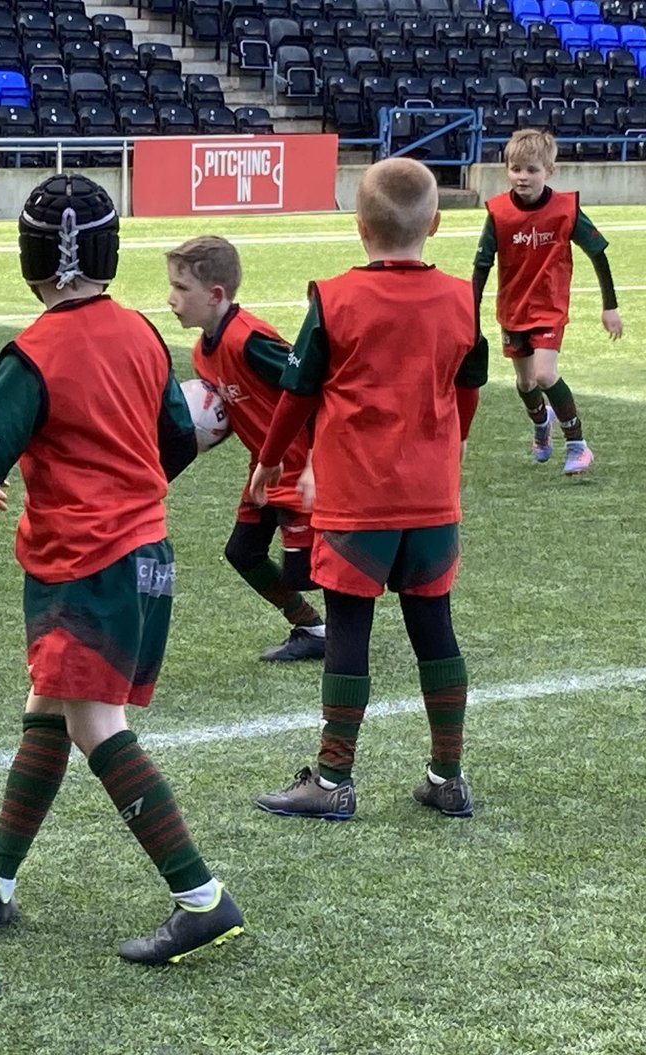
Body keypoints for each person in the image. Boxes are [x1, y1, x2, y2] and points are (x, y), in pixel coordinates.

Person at [0, 174, 243, 965]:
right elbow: (177, 439)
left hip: (82, 563)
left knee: (93, 723)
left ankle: (201, 896)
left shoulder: (35, 352)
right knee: (49, 705)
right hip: (145, 554)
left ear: (32, 259)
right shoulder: (145, 333)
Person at [247, 158, 488, 821]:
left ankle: (331, 779)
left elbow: (296, 394)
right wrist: (446, 443)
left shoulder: (334, 298)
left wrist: (268, 464)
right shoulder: (463, 299)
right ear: (435, 224)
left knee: (350, 630)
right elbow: (467, 395)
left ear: (359, 227)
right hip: (432, 497)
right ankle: (448, 774)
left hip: (359, 500)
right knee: (435, 630)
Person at [166, 235, 326, 663]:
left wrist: (315, 460)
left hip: (298, 468)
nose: (171, 299)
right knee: (243, 552)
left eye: (181, 289)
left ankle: (349, 629)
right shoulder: (203, 352)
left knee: (308, 569)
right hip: (265, 468)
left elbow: (308, 388)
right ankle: (313, 627)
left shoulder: (249, 340)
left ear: (215, 294)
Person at [473, 128, 623, 476]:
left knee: (544, 374)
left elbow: (598, 253)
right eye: (515, 168)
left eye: (531, 170)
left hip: (549, 307)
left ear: (549, 171)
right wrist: (471, 315)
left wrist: (609, 306)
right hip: (513, 308)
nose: (522, 177)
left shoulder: (565, 210)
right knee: (525, 383)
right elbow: (482, 265)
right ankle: (542, 424)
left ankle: (578, 444)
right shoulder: (499, 213)